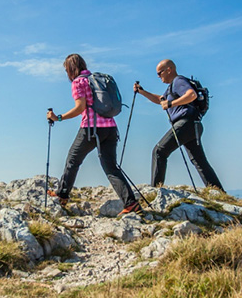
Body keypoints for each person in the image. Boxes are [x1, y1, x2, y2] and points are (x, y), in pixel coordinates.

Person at [46, 54, 141, 214]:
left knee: (72, 159)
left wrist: (59, 117)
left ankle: (62, 195)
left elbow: (80, 107)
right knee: (111, 167)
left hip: (91, 129)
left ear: (70, 69)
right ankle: (131, 203)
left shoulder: (79, 82)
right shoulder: (96, 79)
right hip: (110, 128)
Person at [134, 59, 225, 191]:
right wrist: (142, 92)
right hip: (194, 125)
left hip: (186, 123)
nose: (158, 76)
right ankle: (219, 192)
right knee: (199, 162)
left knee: (159, 151)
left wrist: (171, 104)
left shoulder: (179, 81)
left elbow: (191, 95)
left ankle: (155, 190)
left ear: (169, 70)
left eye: (160, 73)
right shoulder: (172, 87)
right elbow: (161, 100)